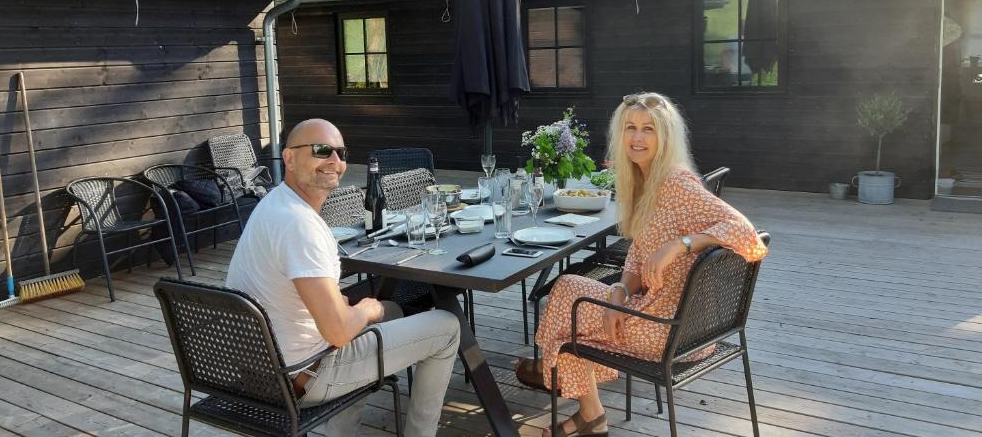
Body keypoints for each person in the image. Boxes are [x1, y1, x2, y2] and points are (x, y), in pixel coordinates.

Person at [515, 92, 768, 437]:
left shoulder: (676, 183)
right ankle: (568, 386)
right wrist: (619, 290)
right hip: (676, 322)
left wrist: (680, 245)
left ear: (664, 136)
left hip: (668, 332)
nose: (636, 138)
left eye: (648, 129)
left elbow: (746, 232)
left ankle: (568, 387)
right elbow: (636, 258)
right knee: (569, 294)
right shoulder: (644, 183)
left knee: (566, 303)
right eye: (630, 128)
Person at [226, 119, 460, 437]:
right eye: (321, 150)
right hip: (302, 375)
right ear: (290, 158)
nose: (334, 161)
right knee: (446, 326)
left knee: (391, 310)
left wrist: (367, 309)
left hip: (261, 368)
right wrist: (366, 310)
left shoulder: (274, 204)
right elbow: (337, 332)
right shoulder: (299, 225)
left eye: (340, 152)